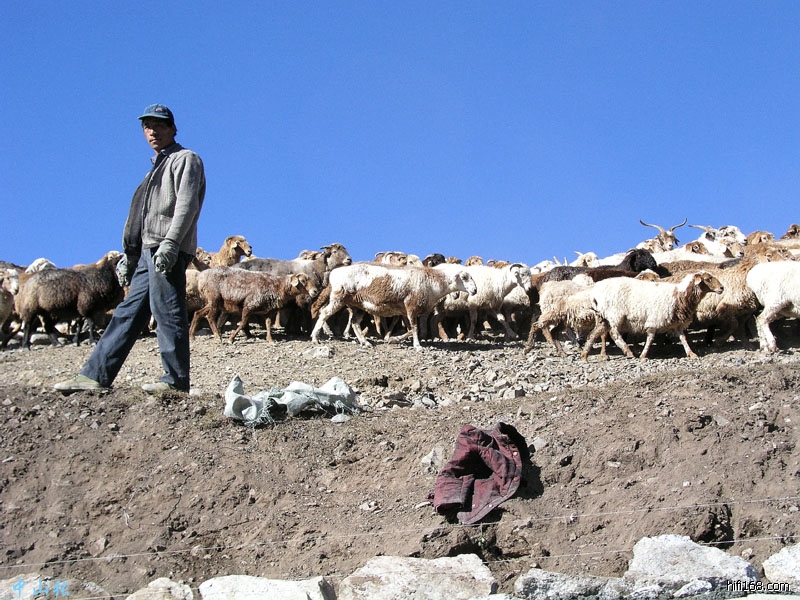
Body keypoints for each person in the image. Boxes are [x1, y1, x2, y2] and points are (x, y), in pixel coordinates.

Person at [55, 104, 205, 394]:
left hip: (166, 248)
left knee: (168, 310)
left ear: (173, 129)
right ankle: (95, 375)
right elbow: (141, 217)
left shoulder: (185, 159)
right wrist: (131, 255)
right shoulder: (155, 169)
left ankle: (175, 381)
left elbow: (187, 205)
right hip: (148, 251)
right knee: (128, 312)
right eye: (147, 127)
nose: (153, 131)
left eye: (159, 125)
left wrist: (172, 243)